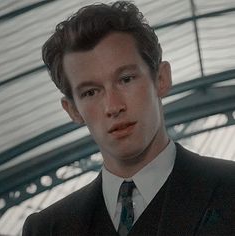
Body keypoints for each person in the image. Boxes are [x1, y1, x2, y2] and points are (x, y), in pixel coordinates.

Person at [22, 1, 235, 235]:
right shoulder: (46, 229)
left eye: (126, 79)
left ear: (161, 79)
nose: (113, 107)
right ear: (72, 110)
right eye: (90, 92)